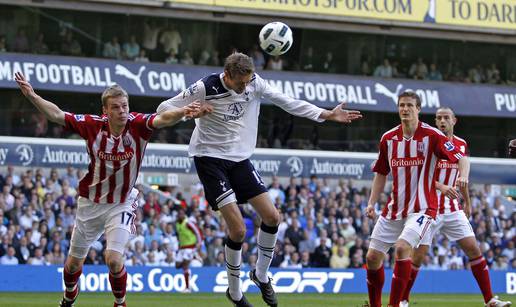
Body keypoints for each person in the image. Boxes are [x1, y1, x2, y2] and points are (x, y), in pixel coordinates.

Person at [157, 52, 362, 307]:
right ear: (228, 75)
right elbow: (163, 108)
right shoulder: (204, 87)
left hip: (240, 159)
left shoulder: (255, 82)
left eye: (248, 81)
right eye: (241, 83)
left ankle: (261, 275)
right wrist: (189, 111)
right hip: (209, 158)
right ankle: (234, 292)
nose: (246, 87)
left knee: (273, 217)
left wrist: (326, 115)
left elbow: (288, 102)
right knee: (239, 230)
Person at [14, 72, 207, 307]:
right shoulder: (91, 126)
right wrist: (32, 95)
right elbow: (56, 114)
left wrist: (185, 111)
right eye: (116, 107)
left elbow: (162, 119)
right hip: (90, 203)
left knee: (114, 260)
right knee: (73, 264)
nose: (122, 111)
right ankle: (69, 295)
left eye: (124, 106)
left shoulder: (138, 125)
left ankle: (120, 303)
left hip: (122, 202)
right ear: (105, 111)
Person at [364, 92, 470, 307]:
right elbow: (381, 173)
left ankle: (395, 304)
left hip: (422, 208)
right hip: (395, 208)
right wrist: (371, 202)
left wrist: (463, 176)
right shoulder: (388, 138)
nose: (405, 109)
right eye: (402, 105)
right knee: (372, 258)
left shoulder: (432, 135)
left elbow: (462, 158)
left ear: (418, 109)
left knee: (403, 248)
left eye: (410, 105)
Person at [400, 107, 511, 307]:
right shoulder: (426, 143)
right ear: (435, 121)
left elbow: (462, 179)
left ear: (454, 121)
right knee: (418, 257)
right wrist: (441, 186)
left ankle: (490, 300)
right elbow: (415, 176)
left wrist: (467, 201)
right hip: (428, 207)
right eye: (439, 118)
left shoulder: (461, 145)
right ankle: (403, 300)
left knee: (474, 249)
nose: (442, 121)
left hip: (452, 208)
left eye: (446, 118)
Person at [175, 208, 203, 293]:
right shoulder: (177, 224)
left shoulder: (188, 223)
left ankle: (187, 288)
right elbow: (180, 236)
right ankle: (193, 259)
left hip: (190, 247)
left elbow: (197, 232)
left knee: (185, 266)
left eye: (181, 213)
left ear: (184, 214)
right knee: (177, 265)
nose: (180, 215)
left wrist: (199, 243)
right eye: (179, 214)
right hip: (182, 248)